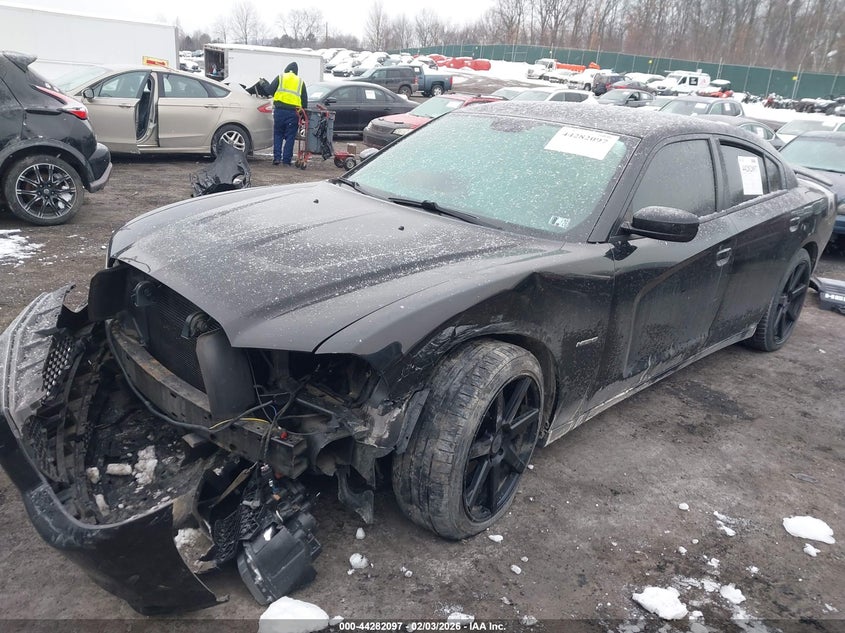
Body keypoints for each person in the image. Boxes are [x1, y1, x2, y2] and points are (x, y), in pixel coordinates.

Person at [268, 62, 308, 166]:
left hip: (279, 111)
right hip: (293, 113)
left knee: (278, 134)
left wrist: (263, 84)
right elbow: (304, 101)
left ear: (286, 69)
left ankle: (277, 158)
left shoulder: (281, 77)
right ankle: (286, 160)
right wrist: (303, 113)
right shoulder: (300, 81)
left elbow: (270, 90)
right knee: (290, 137)